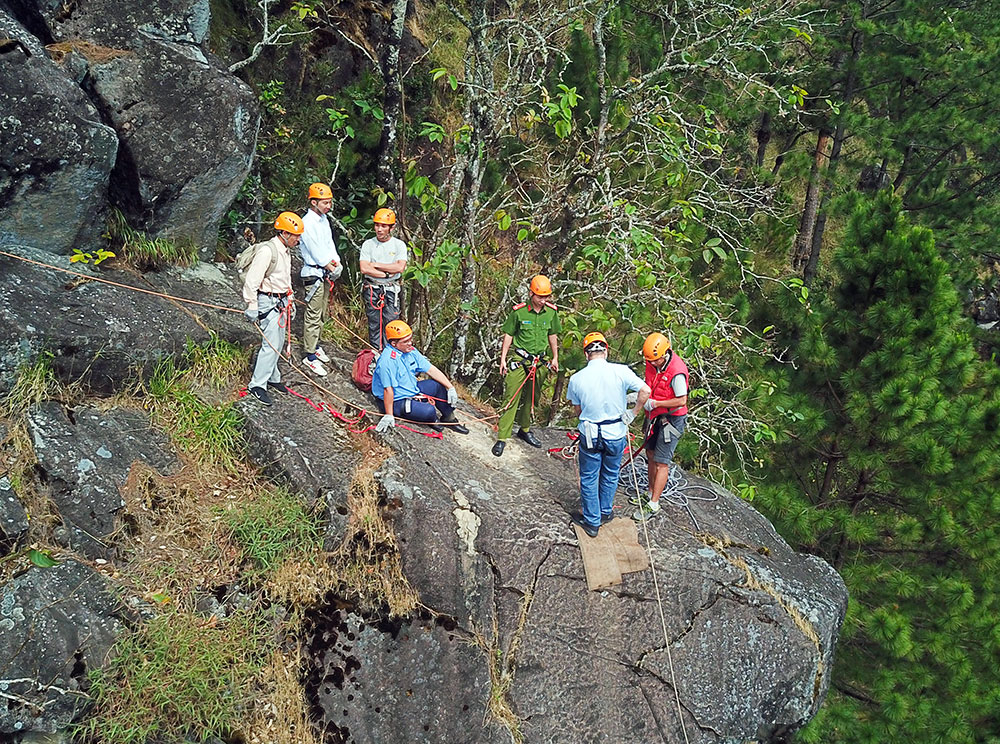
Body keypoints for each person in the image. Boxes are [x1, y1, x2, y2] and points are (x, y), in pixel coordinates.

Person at [566, 332, 650, 537]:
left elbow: (577, 410)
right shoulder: (621, 371)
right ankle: (605, 511)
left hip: (591, 432)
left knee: (589, 476)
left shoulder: (577, 379)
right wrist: (633, 412)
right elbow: (645, 390)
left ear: (586, 354)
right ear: (606, 351)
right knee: (611, 473)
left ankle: (592, 521)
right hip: (616, 431)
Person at [492, 275, 561, 457]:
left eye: (546, 297)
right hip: (520, 360)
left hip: (539, 362)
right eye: (540, 296)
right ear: (531, 293)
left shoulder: (552, 313)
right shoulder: (519, 312)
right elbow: (508, 334)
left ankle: (524, 428)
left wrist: (555, 357)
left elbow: (552, 335)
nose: (543, 300)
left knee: (532, 398)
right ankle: (502, 437)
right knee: (511, 397)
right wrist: (503, 359)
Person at [243, 212, 302, 406]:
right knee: (270, 343)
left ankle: (273, 376)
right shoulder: (268, 251)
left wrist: (290, 299)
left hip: (281, 300)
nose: (298, 239)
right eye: (296, 235)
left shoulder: (285, 251)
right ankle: (257, 384)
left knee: (278, 342)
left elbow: (285, 279)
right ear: (285, 233)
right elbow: (252, 280)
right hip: (268, 302)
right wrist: (252, 305)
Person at [372, 320, 469, 435]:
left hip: (411, 389)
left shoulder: (410, 352)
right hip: (396, 400)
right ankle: (432, 419)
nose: (410, 343)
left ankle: (449, 417)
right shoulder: (387, 361)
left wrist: (450, 387)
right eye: (405, 341)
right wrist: (389, 414)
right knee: (429, 411)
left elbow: (431, 369)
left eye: (410, 339)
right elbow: (388, 389)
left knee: (436, 386)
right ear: (393, 343)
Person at [633, 332, 689, 522]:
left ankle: (654, 503)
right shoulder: (652, 362)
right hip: (654, 415)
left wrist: (656, 403)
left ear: (665, 353)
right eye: (650, 360)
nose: (653, 363)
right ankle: (649, 493)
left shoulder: (677, 372)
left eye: (656, 360)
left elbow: (681, 400)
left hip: (671, 419)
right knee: (649, 454)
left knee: (661, 461)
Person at [299, 182, 343, 377]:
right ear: (314, 202)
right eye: (325, 202)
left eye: (329, 202)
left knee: (322, 312)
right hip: (313, 272)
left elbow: (328, 244)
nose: (328, 206)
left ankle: (315, 345)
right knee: (313, 313)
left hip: (324, 272)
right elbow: (315, 249)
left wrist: (336, 262)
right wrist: (328, 264)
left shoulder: (324, 220)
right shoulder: (307, 223)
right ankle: (309, 355)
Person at [359, 208, 407, 350]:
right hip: (373, 288)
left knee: (391, 323)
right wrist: (386, 273)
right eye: (377, 225)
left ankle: (390, 354)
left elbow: (399, 267)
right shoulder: (368, 244)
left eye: (383, 226)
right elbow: (365, 268)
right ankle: (376, 352)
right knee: (374, 322)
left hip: (391, 289)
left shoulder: (398, 245)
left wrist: (377, 265)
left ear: (391, 228)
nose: (379, 229)